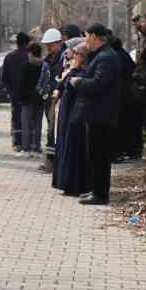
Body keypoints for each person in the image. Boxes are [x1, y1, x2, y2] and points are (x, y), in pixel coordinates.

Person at [63, 23, 124, 205]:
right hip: (96, 114)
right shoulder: (101, 55)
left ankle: (100, 194)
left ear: (96, 37)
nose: (85, 39)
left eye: (87, 36)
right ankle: (95, 190)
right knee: (96, 155)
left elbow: (98, 83)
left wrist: (79, 81)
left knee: (100, 156)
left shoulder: (106, 57)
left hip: (101, 115)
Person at [51, 41, 90, 195]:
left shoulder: (85, 73)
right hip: (65, 115)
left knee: (73, 148)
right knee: (63, 145)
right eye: (75, 54)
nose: (75, 57)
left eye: (78, 54)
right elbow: (61, 85)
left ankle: (75, 184)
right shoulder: (73, 70)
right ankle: (64, 182)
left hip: (75, 115)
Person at [37, 28, 64, 158]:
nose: (48, 48)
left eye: (50, 45)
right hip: (48, 99)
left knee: (54, 129)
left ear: (59, 42)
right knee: (50, 128)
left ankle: (53, 160)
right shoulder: (47, 60)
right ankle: (50, 160)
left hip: (58, 99)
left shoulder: (64, 58)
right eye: (46, 45)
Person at [3, 32, 31, 151]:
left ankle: (17, 142)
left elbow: (4, 78)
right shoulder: (30, 58)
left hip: (14, 94)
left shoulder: (9, 57)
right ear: (26, 43)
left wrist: (10, 91)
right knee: (29, 118)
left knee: (16, 117)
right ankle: (28, 143)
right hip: (28, 94)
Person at [18, 42, 45, 154]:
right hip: (39, 99)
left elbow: (22, 84)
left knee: (26, 123)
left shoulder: (26, 65)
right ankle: (36, 146)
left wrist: (20, 97)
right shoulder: (44, 65)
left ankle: (26, 146)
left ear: (30, 53)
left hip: (27, 99)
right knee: (38, 124)